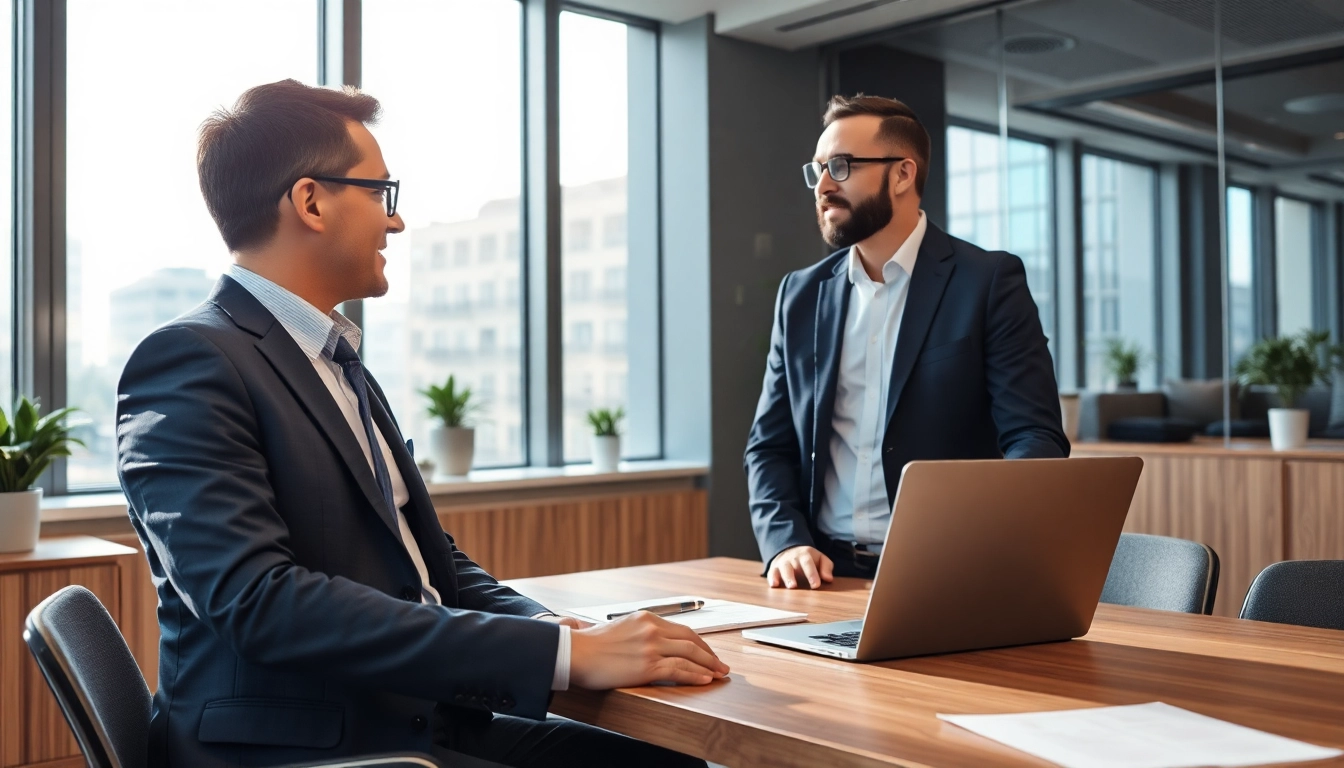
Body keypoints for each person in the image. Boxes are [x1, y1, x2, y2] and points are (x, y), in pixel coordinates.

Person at [116, 79, 726, 768]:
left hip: (412, 714)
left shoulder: (335, 361)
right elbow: (259, 601)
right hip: (303, 747)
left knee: (668, 759)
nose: (395, 221)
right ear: (311, 200)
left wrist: (548, 626)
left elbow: (426, 560)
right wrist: (561, 657)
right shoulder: (189, 360)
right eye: (381, 193)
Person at [744, 94, 1069, 591]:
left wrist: (975, 542)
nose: (824, 185)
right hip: (825, 578)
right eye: (817, 170)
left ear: (902, 174)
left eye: (841, 166)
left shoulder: (987, 282)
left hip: (949, 576)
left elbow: (1036, 440)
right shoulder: (801, 295)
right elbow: (768, 446)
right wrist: (785, 542)